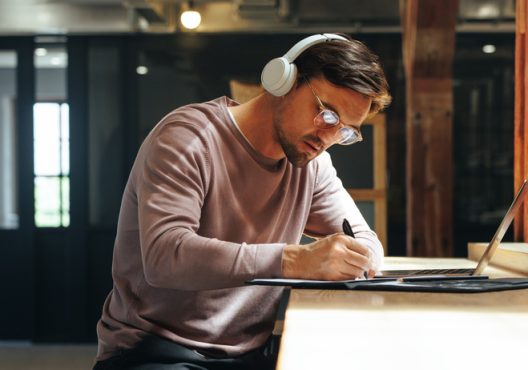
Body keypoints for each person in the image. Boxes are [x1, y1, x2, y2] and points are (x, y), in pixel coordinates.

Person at [93, 33, 391, 370]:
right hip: (155, 350)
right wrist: (293, 260)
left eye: (345, 131)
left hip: (247, 354)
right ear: (284, 80)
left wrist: (358, 255)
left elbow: (365, 241)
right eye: (327, 115)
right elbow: (165, 256)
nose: (328, 137)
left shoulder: (311, 164)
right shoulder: (188, 139)